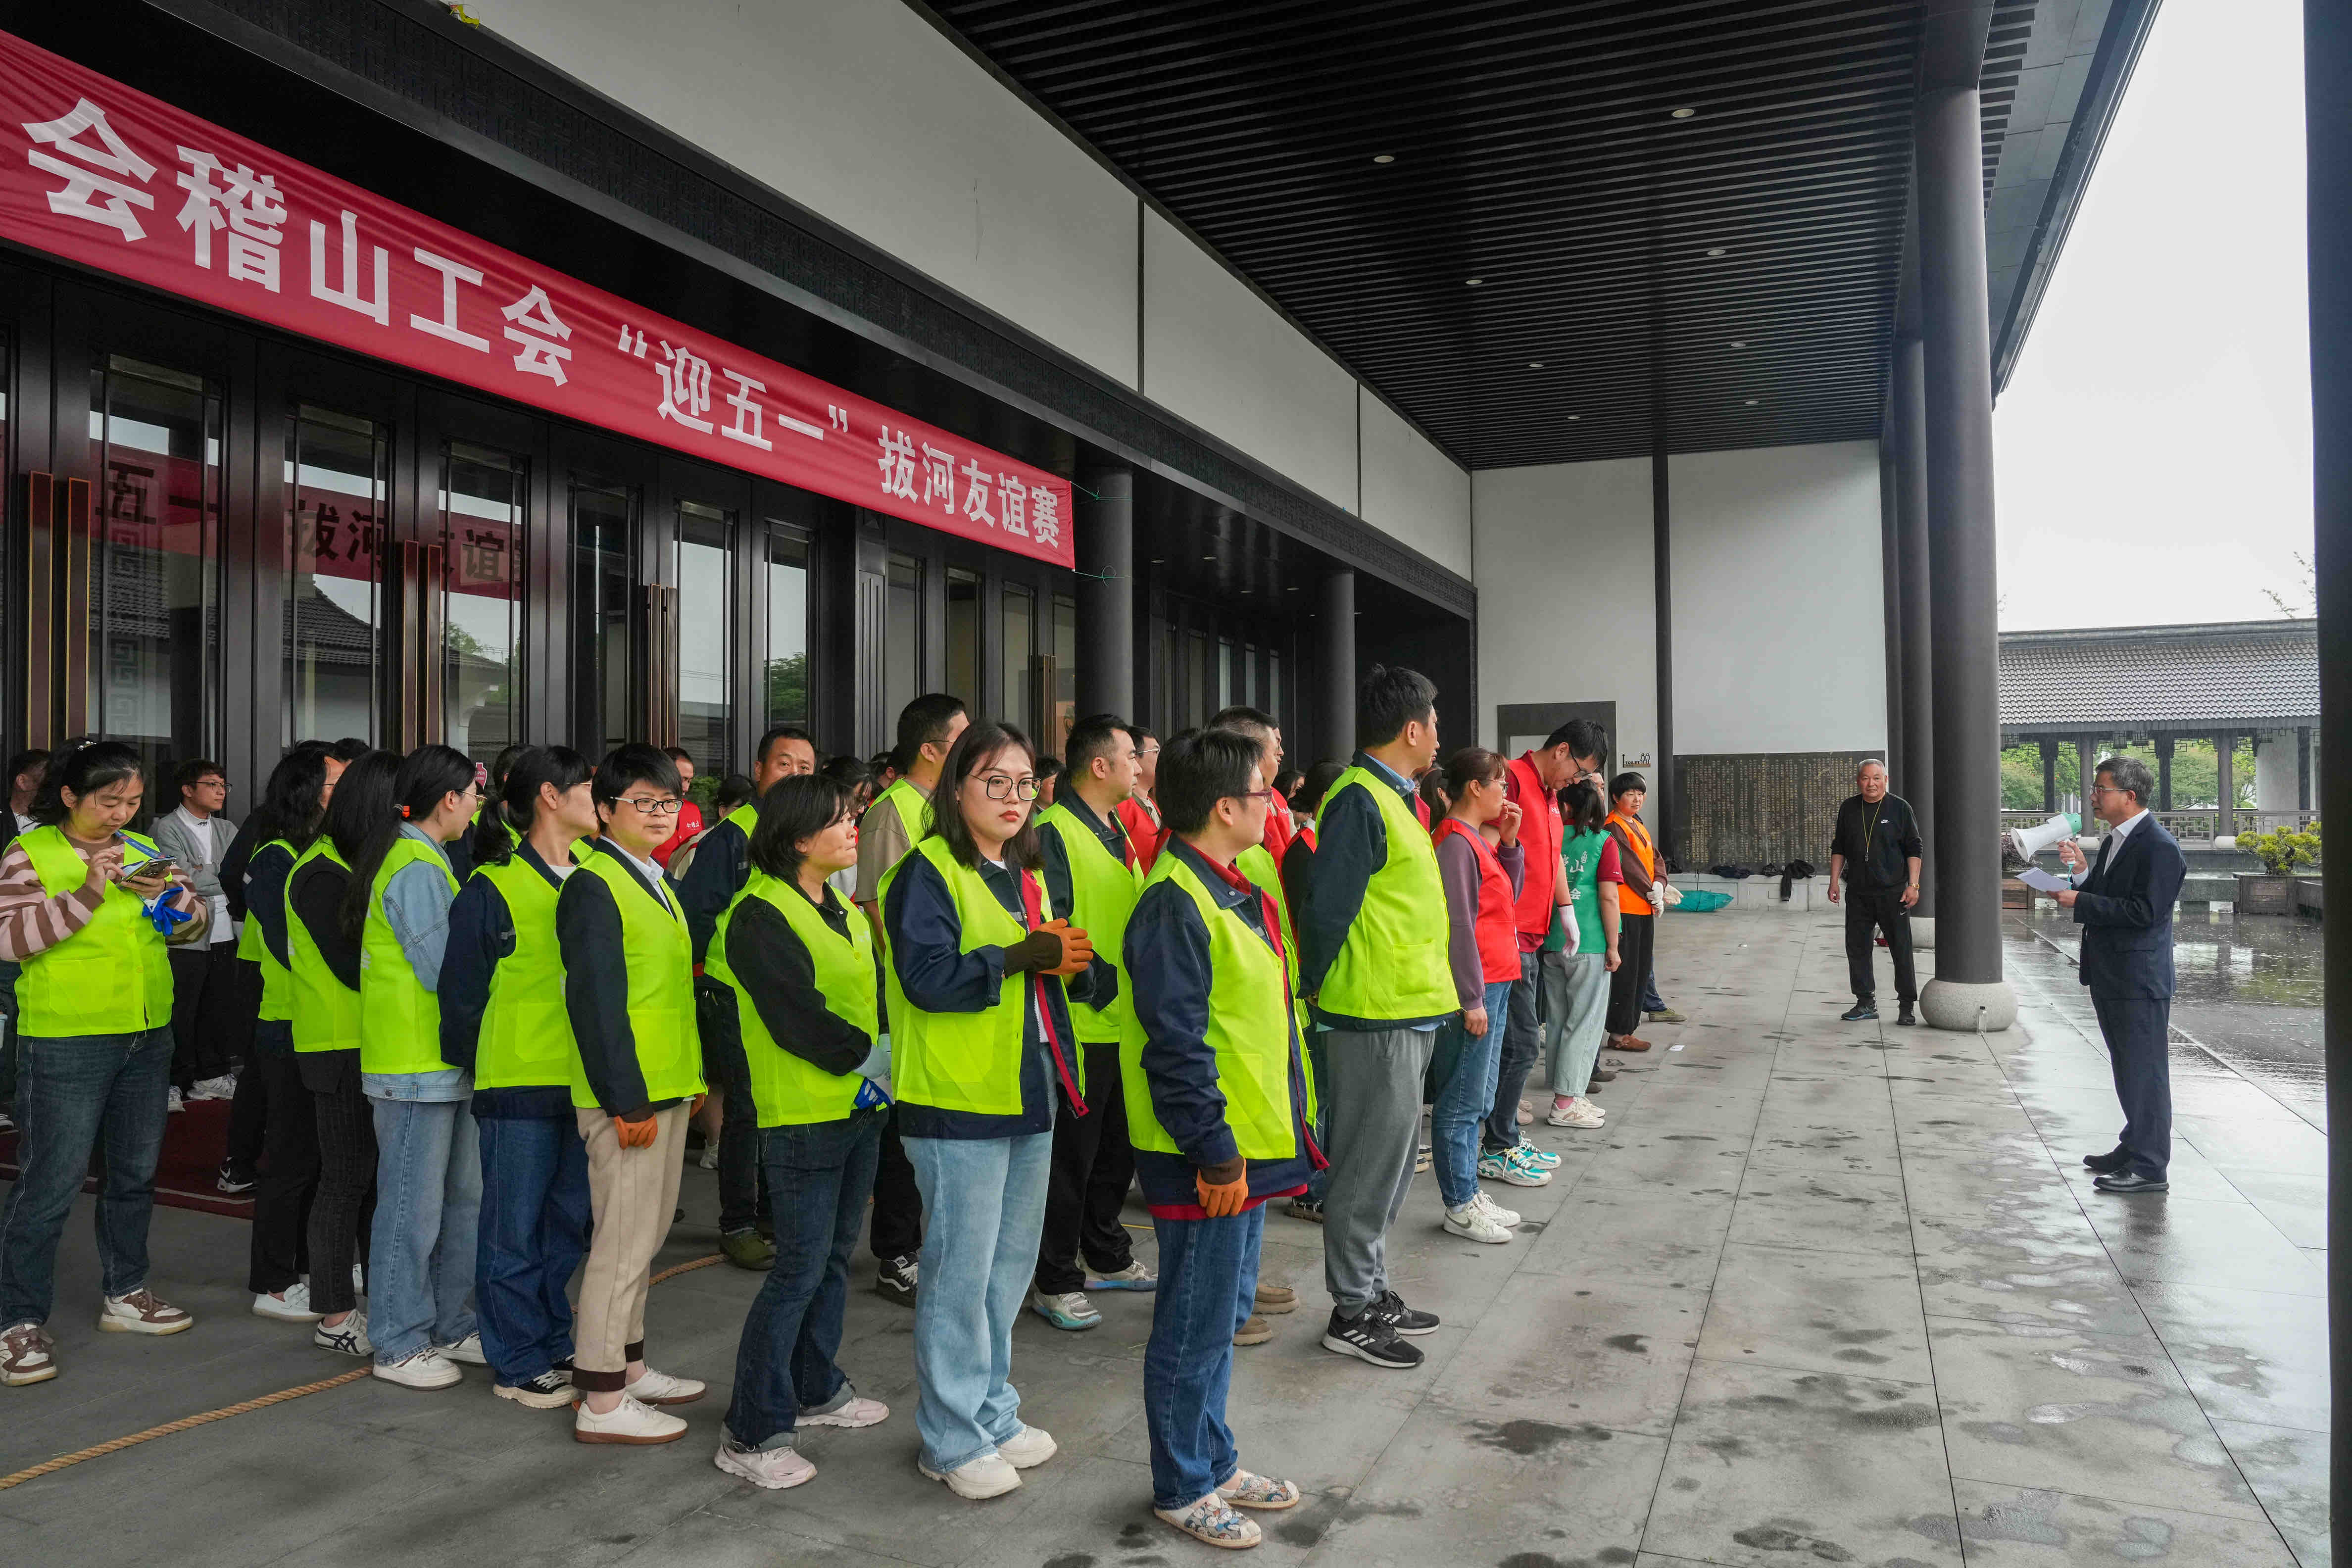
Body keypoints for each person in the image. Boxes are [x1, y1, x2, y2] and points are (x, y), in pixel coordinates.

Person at [880, 720, 1106, 1499]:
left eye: (1024, 784)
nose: (1014, 798)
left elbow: (1045, 970)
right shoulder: (925, 871)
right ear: (956, 788)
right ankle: (950, 1440)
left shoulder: (1025, 872)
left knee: (1007, 1270)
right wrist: (1016, 958)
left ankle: (990, 1411)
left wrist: (1073, 966)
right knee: (959, 1277)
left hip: (1030, 1086)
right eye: (994, 782)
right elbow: (925, 979)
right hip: (956, 1099)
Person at [1121, 729, 1311, 1548]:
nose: (1273, 803)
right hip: (1204, 1153)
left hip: (1238, 1143)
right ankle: (1181, 1483)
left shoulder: (1224, 884)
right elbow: (1177, 1044)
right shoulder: (1175, 899)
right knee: (1192, 1324)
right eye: (1262, 792)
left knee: (1215, 1320)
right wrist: (1214, 1151)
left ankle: (1214, 1460)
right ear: (1225, 808)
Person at [707, 774, 895, 1490]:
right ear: (796, 840)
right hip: (802, 1119)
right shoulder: (759, 913)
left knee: (834, 1258)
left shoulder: (840, 907)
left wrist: (881, 1063)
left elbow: (869, 996)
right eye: (840, 820)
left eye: (852, 817)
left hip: (859, 1108)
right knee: (797, 1272)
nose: (853, 829)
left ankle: (815, 1388)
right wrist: (869, 1054)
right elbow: (795, 1016)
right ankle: (751, 1430)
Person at [0, 741, 206, 1386]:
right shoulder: (29, 853)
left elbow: (195, 927)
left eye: (134, 802)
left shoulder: (145, 851)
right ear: (69, 796)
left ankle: (126, 1291)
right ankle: (17, 1321)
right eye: (109, 801)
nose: (122, 814)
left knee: (134, 1176)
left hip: (146, 1036)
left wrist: (164, 896)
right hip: (66, 1039)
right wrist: (90, 889)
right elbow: (11, 940)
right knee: (49, 1184)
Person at [1298, 665, 1450, 1370]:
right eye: (1435, 722)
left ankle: (1373, 1288)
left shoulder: (1395, 797)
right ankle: (1352, 1310)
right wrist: (1315, 990)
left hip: (1405, 1007)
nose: (1439, 734)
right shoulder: (1359, 798)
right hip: (1372, 1013)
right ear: (1411, 729)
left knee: (1389, 1169)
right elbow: (1327, 910)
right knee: (1365, 1170)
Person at [440, 746, 599, 1410]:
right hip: (518, 1083)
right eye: (589, 787)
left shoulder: (598, 874)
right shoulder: (492, 885)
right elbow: (461, 993)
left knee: (568, 1225)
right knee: (514, 1229)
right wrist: (486, 1066)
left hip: (585, 1081)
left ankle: (553, 1338)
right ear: (550, 797)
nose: (600, 801)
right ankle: (516, 1359)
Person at [559, 743, 709, 1444]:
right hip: (630, 1096)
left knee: (642, 1241)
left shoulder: (654, 877)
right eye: (643, 802)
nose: (659, 813)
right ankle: (601, 1397)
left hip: (667, 1084)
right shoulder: (593, 884)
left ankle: (629, 1367)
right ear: (605, 810)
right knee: (620, 1246)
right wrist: (626, 1100)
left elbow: (666, 993)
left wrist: (692, 1079)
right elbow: (596, 1002)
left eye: (668, 801)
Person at [345, 744, 483, 1389]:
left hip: (442, 1063)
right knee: (412, 1210)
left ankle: (450, 1325)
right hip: (414, 1068)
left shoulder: (426, 858)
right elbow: (445, 971)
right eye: (474, 795)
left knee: (461, 1202)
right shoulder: (414, 865)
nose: (477, 806)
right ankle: (399, 1340)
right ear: (449, 798)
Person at [680, 723, 823, 1272]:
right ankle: (738, 1224)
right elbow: (697, 916)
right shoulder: (732, 836)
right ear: (760, 770)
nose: (795, 775)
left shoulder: (809, 832)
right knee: (745, 1109)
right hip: (734, 992)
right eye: (785, 764)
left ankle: (769, 1216)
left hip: (787, 992)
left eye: (806, 768)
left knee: (777, 1105)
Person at [1028, 714, 1153, 1331]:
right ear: (1099, 765)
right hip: (1082, 1025)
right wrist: (1102, 991)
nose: (1139, 765)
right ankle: (1054, 1278)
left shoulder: (1117, 828)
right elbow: (1053, 926)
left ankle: (1104, 1251)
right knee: (1069, 1162)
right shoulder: (1052, 831)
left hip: (1124, 1023)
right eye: (1131, 755)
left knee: (1114, 1152)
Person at [855, 694, 968, 1306]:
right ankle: (895, 1253)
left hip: (945, 990)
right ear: (929, 749)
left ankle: (919, 1244)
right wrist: (919, 975)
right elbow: (879, 905)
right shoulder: (892, 810)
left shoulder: (946, 805)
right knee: (901, 1126)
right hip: (906, 992)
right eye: (962, 739)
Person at [288, 749, 390, 1360]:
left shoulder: (352, 863)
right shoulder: (321, 873)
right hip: (337, 1045)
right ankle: (334, 1314)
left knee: (371, 1183)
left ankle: (382, 1301)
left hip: (370, 1040)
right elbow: (354, 967)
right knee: (345, 1181)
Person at [241, 742, 344, 1324]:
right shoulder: (276, 857)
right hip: (288, 1022)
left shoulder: (321, 851)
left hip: (320, 1023)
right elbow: (292, 946)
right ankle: (274, 1281)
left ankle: (307, 1267)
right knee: (290, 1158)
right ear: (306, 792)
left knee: (324, 1159)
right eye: (335, 786)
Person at [2055, 756, 2187, 1195]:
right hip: (2113, 973)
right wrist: (2081, 874)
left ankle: (2150, 1166)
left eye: (2101, 789)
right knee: (2129, 1068)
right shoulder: (2116, 840)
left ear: (2129, 796)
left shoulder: (2159, 846)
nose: (2093, 796)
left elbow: (2145, 912)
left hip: (2139, 978)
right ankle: (2134, 1146)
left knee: (2146, 1073)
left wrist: (2081, 902)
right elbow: (2109, 895)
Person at [1488, 722, 1607, 1181]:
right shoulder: (1513, 779)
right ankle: (1497, 1143)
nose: (1576, 781)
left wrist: (1565, 910)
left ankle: (1502, 1137)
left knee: (1520, 1042)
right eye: (1578, 770)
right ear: (1561, 751)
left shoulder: (1550, 795)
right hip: (1507, 935)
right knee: (1519, 1044)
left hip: (1533, 937)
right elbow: (1488, 845)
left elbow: (1553, 856)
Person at [1429, 748, 1530, 1239]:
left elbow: (1505, 900)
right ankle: (1459, 1203)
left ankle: (1468, 1192)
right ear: (1475, 787)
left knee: (1479, 1095)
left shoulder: (1474, 839)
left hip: (1496, 978)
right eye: (1501, 785)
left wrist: (1509, 844)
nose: (1505, 795)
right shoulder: (1454, 843)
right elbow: (1459, 924)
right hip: (1480, 983)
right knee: (1463, 1099)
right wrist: (1470, 997)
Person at [155, 758, 245, 1107]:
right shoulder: (167, 828)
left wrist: (204, 871)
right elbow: (181, 879)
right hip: (187, 933)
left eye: (223, 785)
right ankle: (173, 1082)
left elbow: (239, 873)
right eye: (212, 784)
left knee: (218, 1008)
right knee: (181, 1011)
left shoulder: (226, 828)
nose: (221, 791)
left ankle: (211, 1076)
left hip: (225, 931)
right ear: (188, 789)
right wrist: (213, 873)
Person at [1540, 781, 1620, 1129]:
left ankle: (1569, 1091)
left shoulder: (1554, 837)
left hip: (1553, 939)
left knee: (1558, 1018)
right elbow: (1609, 898)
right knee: (1585, 1022)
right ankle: (1566, 1100)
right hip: (1589, 940)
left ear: (1566, 808)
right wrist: (1614, 946)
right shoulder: (1604, 841)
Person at [1826, 759, 1923, 1026]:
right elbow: (1839, 846)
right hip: (1858, 892)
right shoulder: (1849, 808)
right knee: (1857, 948)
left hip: (1894, 893)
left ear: (1885, 780)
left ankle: (1906, 1006)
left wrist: (1914, 885)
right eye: (1866, 778)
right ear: (1859, 781)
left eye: (1877, 778)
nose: (1872, 784)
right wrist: (1834, 881)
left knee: (1901, 949)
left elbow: (1914, 848)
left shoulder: (1900, 808)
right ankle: (1865, 1002)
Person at [1602, 775, 1662, 1054]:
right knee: (1627, 974)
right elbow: (1630, 867)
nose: (1637, 799)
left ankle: (1627, 1029)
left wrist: (1661, 883)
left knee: (1640, 970)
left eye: (1640, 793)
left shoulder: (1636, 823)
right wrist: (1652, 890)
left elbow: (1655, 858)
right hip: (1626, 909)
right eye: (1630, 794)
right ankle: (1619, 1033)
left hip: (1642, 908)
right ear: (1616, 798)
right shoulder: (1613, 826)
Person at [663, 772, 755, 883]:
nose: (749, 818)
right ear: (723, 811)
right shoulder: (700, 849)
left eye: (753, 812)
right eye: (741, 811)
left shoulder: (754, 847)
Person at [1117, 724, 1165, 873]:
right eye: (1156, 752)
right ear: (1134, 756)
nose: (1162, 758)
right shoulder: (1121, 806)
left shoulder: (1153, 805)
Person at [650, 746, 703, 868]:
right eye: (682, 779)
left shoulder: (693, 810)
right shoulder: (646, 810)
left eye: (689, 781)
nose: (686, 788)